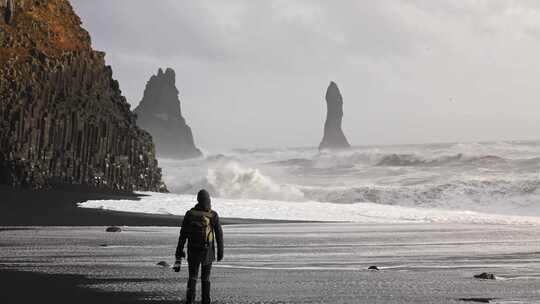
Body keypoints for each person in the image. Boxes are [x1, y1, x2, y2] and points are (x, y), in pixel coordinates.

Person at [175, 189, 224, 304]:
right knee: (205, 278)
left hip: (193, 249)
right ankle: (205, 301)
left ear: (198, 199)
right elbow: (219, 234)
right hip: (208, 251)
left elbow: (183, 234)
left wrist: (179, 251)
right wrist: (220, 252)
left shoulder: (190, 214)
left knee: (192, 276)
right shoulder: (212, 214)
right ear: (208, 200)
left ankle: (190, 300)